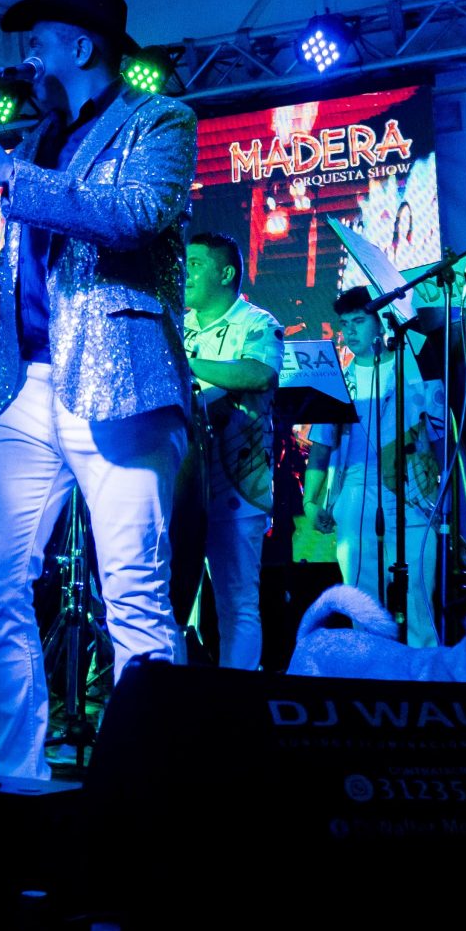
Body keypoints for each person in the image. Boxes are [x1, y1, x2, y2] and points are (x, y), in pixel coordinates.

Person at [0, 0, 195, 781]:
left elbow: (133, 215)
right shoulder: (35, 143)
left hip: (121, 382)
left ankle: (144, 787)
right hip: (26, 385)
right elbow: (34, 271)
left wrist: (11, 178)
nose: (28, 59)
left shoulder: (160, 120)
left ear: (81, 47)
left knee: (135, 592)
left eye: (39, 43)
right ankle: (20, 773)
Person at [303, 285, 441, 641]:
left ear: (381, 323)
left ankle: (424, 669)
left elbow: (441, 439)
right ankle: (372, 668)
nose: (350, 331)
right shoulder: (337, 379)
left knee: (419, 597)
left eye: (359, 321)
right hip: (355, 488)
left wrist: (446, 493)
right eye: (344, 323)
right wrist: (310, 500)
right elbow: (321, 446)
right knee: (363, 601)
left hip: (413, 487)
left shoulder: (415, 369)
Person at [176, 232, 283, 669]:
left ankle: (238, 695)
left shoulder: (257, 323)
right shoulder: (175, 323)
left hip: (238, 485)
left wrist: (182, 364)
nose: (185, 273)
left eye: (196, 264)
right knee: (170, 600)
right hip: (180, 486)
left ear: (225, 273)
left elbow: (259, 374)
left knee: (236, 602)